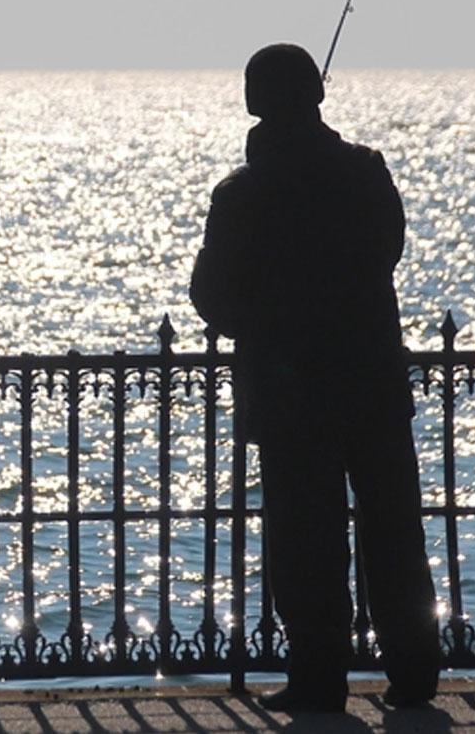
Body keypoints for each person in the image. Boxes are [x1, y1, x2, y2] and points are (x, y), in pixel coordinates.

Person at [189, 44, 439, 712]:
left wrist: (263, 323)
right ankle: (413, 671)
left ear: (254, 102)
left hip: (290, 391)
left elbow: (210, 294)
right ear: (317, 94)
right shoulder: (365, 172)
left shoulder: (242, 194)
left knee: (306, 541)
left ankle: (319, 679)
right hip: (372, 381)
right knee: (393, 530)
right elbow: (388, 251)